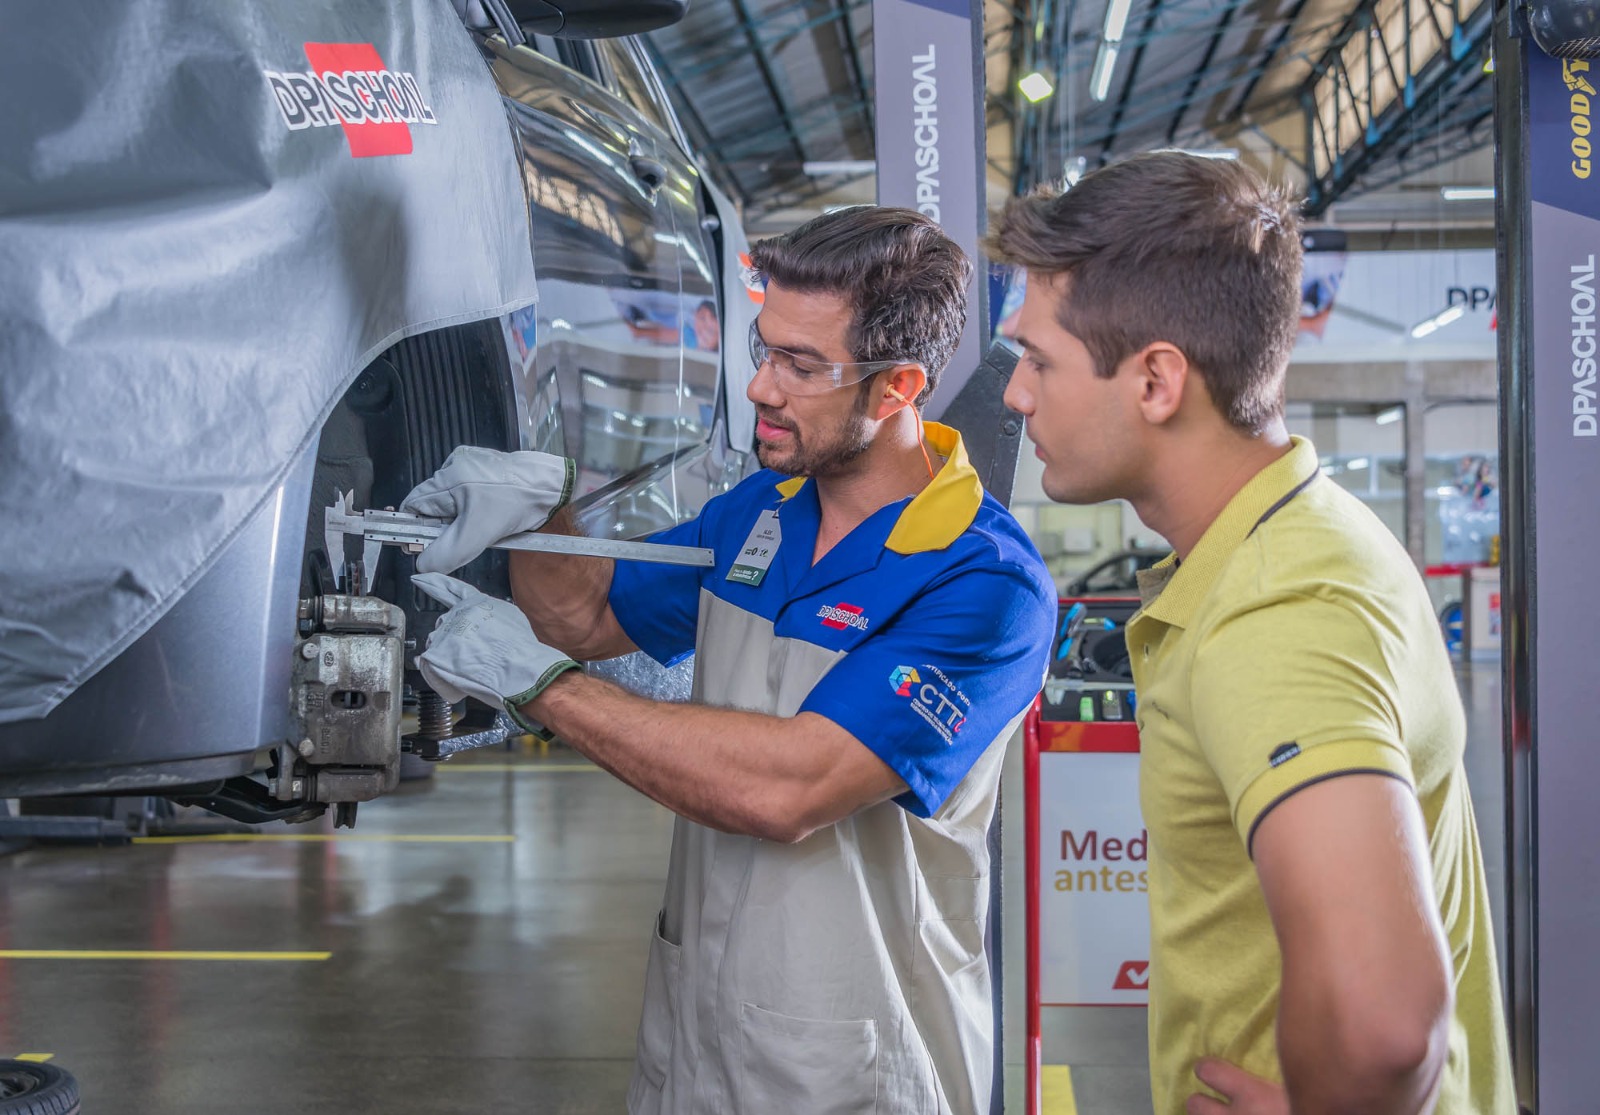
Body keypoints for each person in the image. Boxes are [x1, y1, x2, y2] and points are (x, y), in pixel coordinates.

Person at [402, 206, 1055, 1114]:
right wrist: (537, 517)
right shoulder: (758, 512)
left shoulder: (985, 582)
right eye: (763, 348)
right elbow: (582, 617)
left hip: (855, 1056)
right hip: (697, 1029)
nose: (759, 387)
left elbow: (787, 789)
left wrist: (542, 690)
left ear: (897, 387)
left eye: (800, 365)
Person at [988, 151, 1515, 1115]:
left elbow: (1386, 1023)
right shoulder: (1304, 532)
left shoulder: (1274, 609)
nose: (1018, 396)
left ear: (1156, 380)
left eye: (1039, 359)